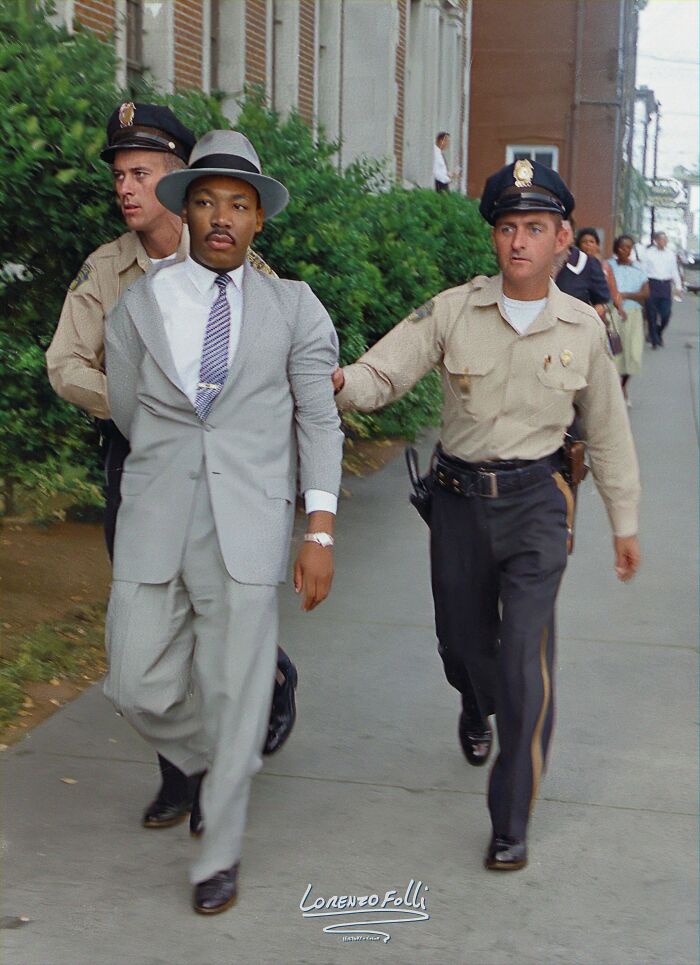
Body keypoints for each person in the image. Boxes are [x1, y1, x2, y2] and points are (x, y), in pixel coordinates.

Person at [332, 158, 641, 872]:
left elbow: (607, 430)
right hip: (459, 505)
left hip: (537, 505)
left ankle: (511, 822)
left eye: (535, 227)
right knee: (465, 648)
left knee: (526, 662)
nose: (520, 241)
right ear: (495, 238)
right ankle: (474, 702)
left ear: (564, 238)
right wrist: (342, 381)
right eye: (508, 227)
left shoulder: (584, 329)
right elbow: (386, 371)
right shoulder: (452, 310)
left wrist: (623, 520)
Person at [103, 130, 344, 913]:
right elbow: (129, 408)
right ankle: (218, 759)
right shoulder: (139, 303)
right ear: (186, 207)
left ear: (258, 222)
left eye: (238, 206)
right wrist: (174, 470)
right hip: (155, 514)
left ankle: (218, 854)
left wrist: (319, 528)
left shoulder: (294, 307)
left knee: (237, 686)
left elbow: (318, 421)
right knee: (134, 678)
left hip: (247, 524)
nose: (221, 218)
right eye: (206, 201)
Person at [46, 103, 299, 835]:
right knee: (150, 623)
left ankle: (251, 702)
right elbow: (65, 363)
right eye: (120, 175)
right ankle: (180, 771)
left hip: (228, 470)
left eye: (142, 173)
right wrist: (135, 405)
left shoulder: (246, 268)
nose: (127, 188)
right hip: (140, 461)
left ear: (182, 183)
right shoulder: (107, 269)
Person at [608, 235, 650, 403]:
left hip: (633, 314)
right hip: (612, 313)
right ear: (616, 249)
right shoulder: (608, 266)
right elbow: (606, 288)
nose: (625, 250)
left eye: (628, 247)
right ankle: (614, 389)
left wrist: (626, 294)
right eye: (622, 247)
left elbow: (646, 294)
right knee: (613, 351)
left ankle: (623, 385)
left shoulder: (639, 269)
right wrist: (618, 302)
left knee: (633, 353)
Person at [642, 231, 682, 348]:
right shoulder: (648, 253)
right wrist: (644, 285)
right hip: (652, 284)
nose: (663, 242)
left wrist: (678, 286)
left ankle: (658, 332)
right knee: (651, 314)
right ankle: (654, 340)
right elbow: (643, 270)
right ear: (655, 241)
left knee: (666, 313)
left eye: (665, 240)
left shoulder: (670, 254)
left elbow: (674, 271)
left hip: (665, 286)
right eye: (660, 239)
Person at [575, 227, 626, 319]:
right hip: (576, 311)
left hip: (598, 314)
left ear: (597, 245)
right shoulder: (572, 265)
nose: (588, 244)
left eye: (591, 242)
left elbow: (613, 290)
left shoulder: (605, 266)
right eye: (584, 242)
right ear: (578, 245)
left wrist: (619, 308)